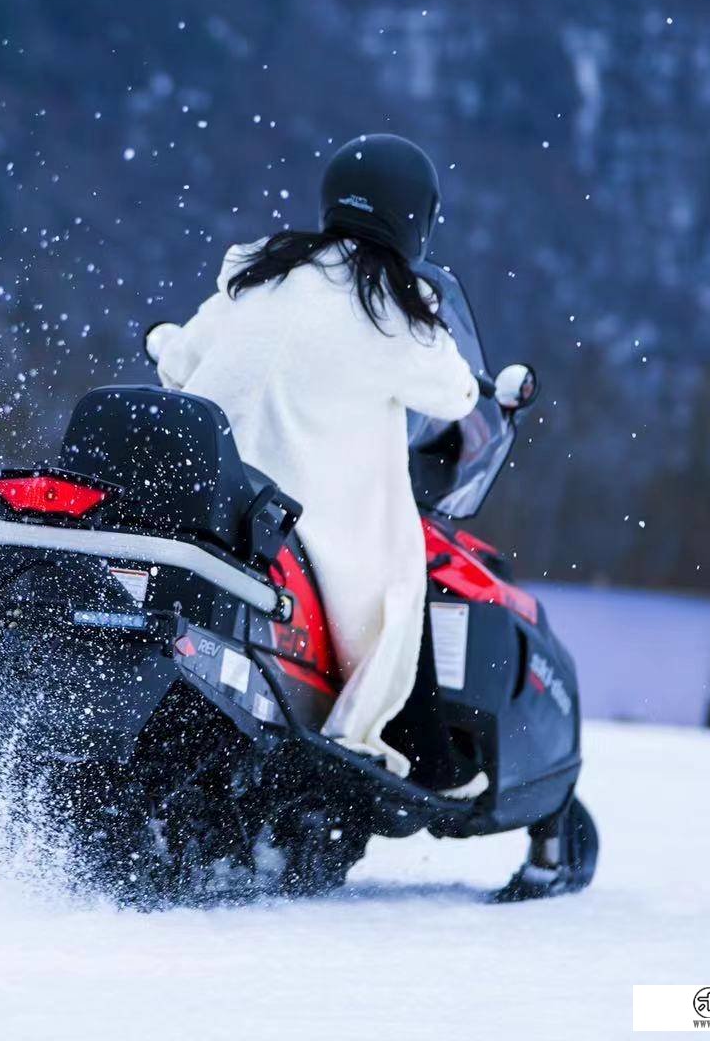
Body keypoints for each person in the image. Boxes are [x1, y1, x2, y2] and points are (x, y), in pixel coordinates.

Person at [145, 133, 481, 789]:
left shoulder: (263, 272)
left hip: (210, 496)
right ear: (417, 214)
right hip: (301, 519)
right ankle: (393, 745)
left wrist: (163, 340)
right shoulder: (394, 307)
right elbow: (456, 392)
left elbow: (181, 360)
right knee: (399, 583)